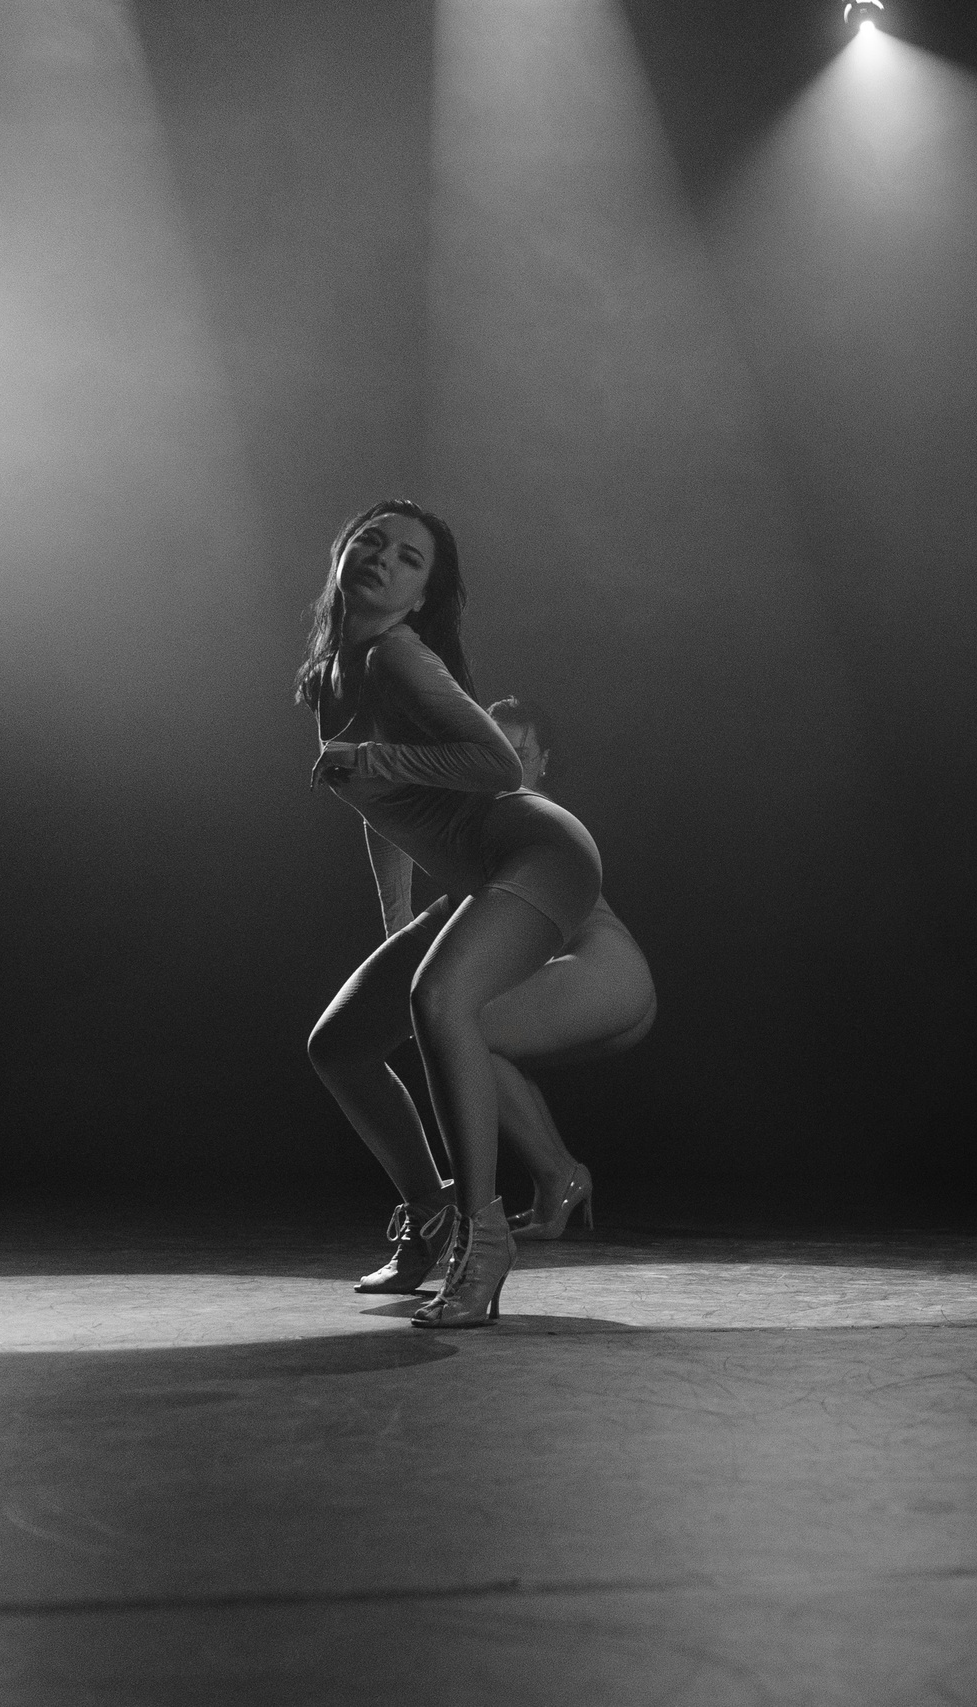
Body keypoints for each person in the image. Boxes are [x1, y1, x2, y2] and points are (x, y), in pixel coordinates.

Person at [300, 500, 604, 1328]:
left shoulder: (399, 656)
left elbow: (499, 762)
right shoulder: (335, 671)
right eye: (371, 541)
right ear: (342, 552)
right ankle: (432, 1216)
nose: (382, 559)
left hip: (541, 854)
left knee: (439, 1002)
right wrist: (397, 917)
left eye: (408, 558)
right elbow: (387, 813)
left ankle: (484, 1237)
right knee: (341, 1046)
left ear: (422, 594)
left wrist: (371, 756)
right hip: (475, 876)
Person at [477, 696, 657, 1241]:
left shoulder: (532, 816)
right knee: (480, 1041)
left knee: (463, 1030)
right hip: (608, 977)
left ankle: (558, 1176)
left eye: (520, 751)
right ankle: (557, 1184)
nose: (507, 765)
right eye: (493, 752)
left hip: (608, 971)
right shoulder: (498, 817)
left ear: (542, 761)